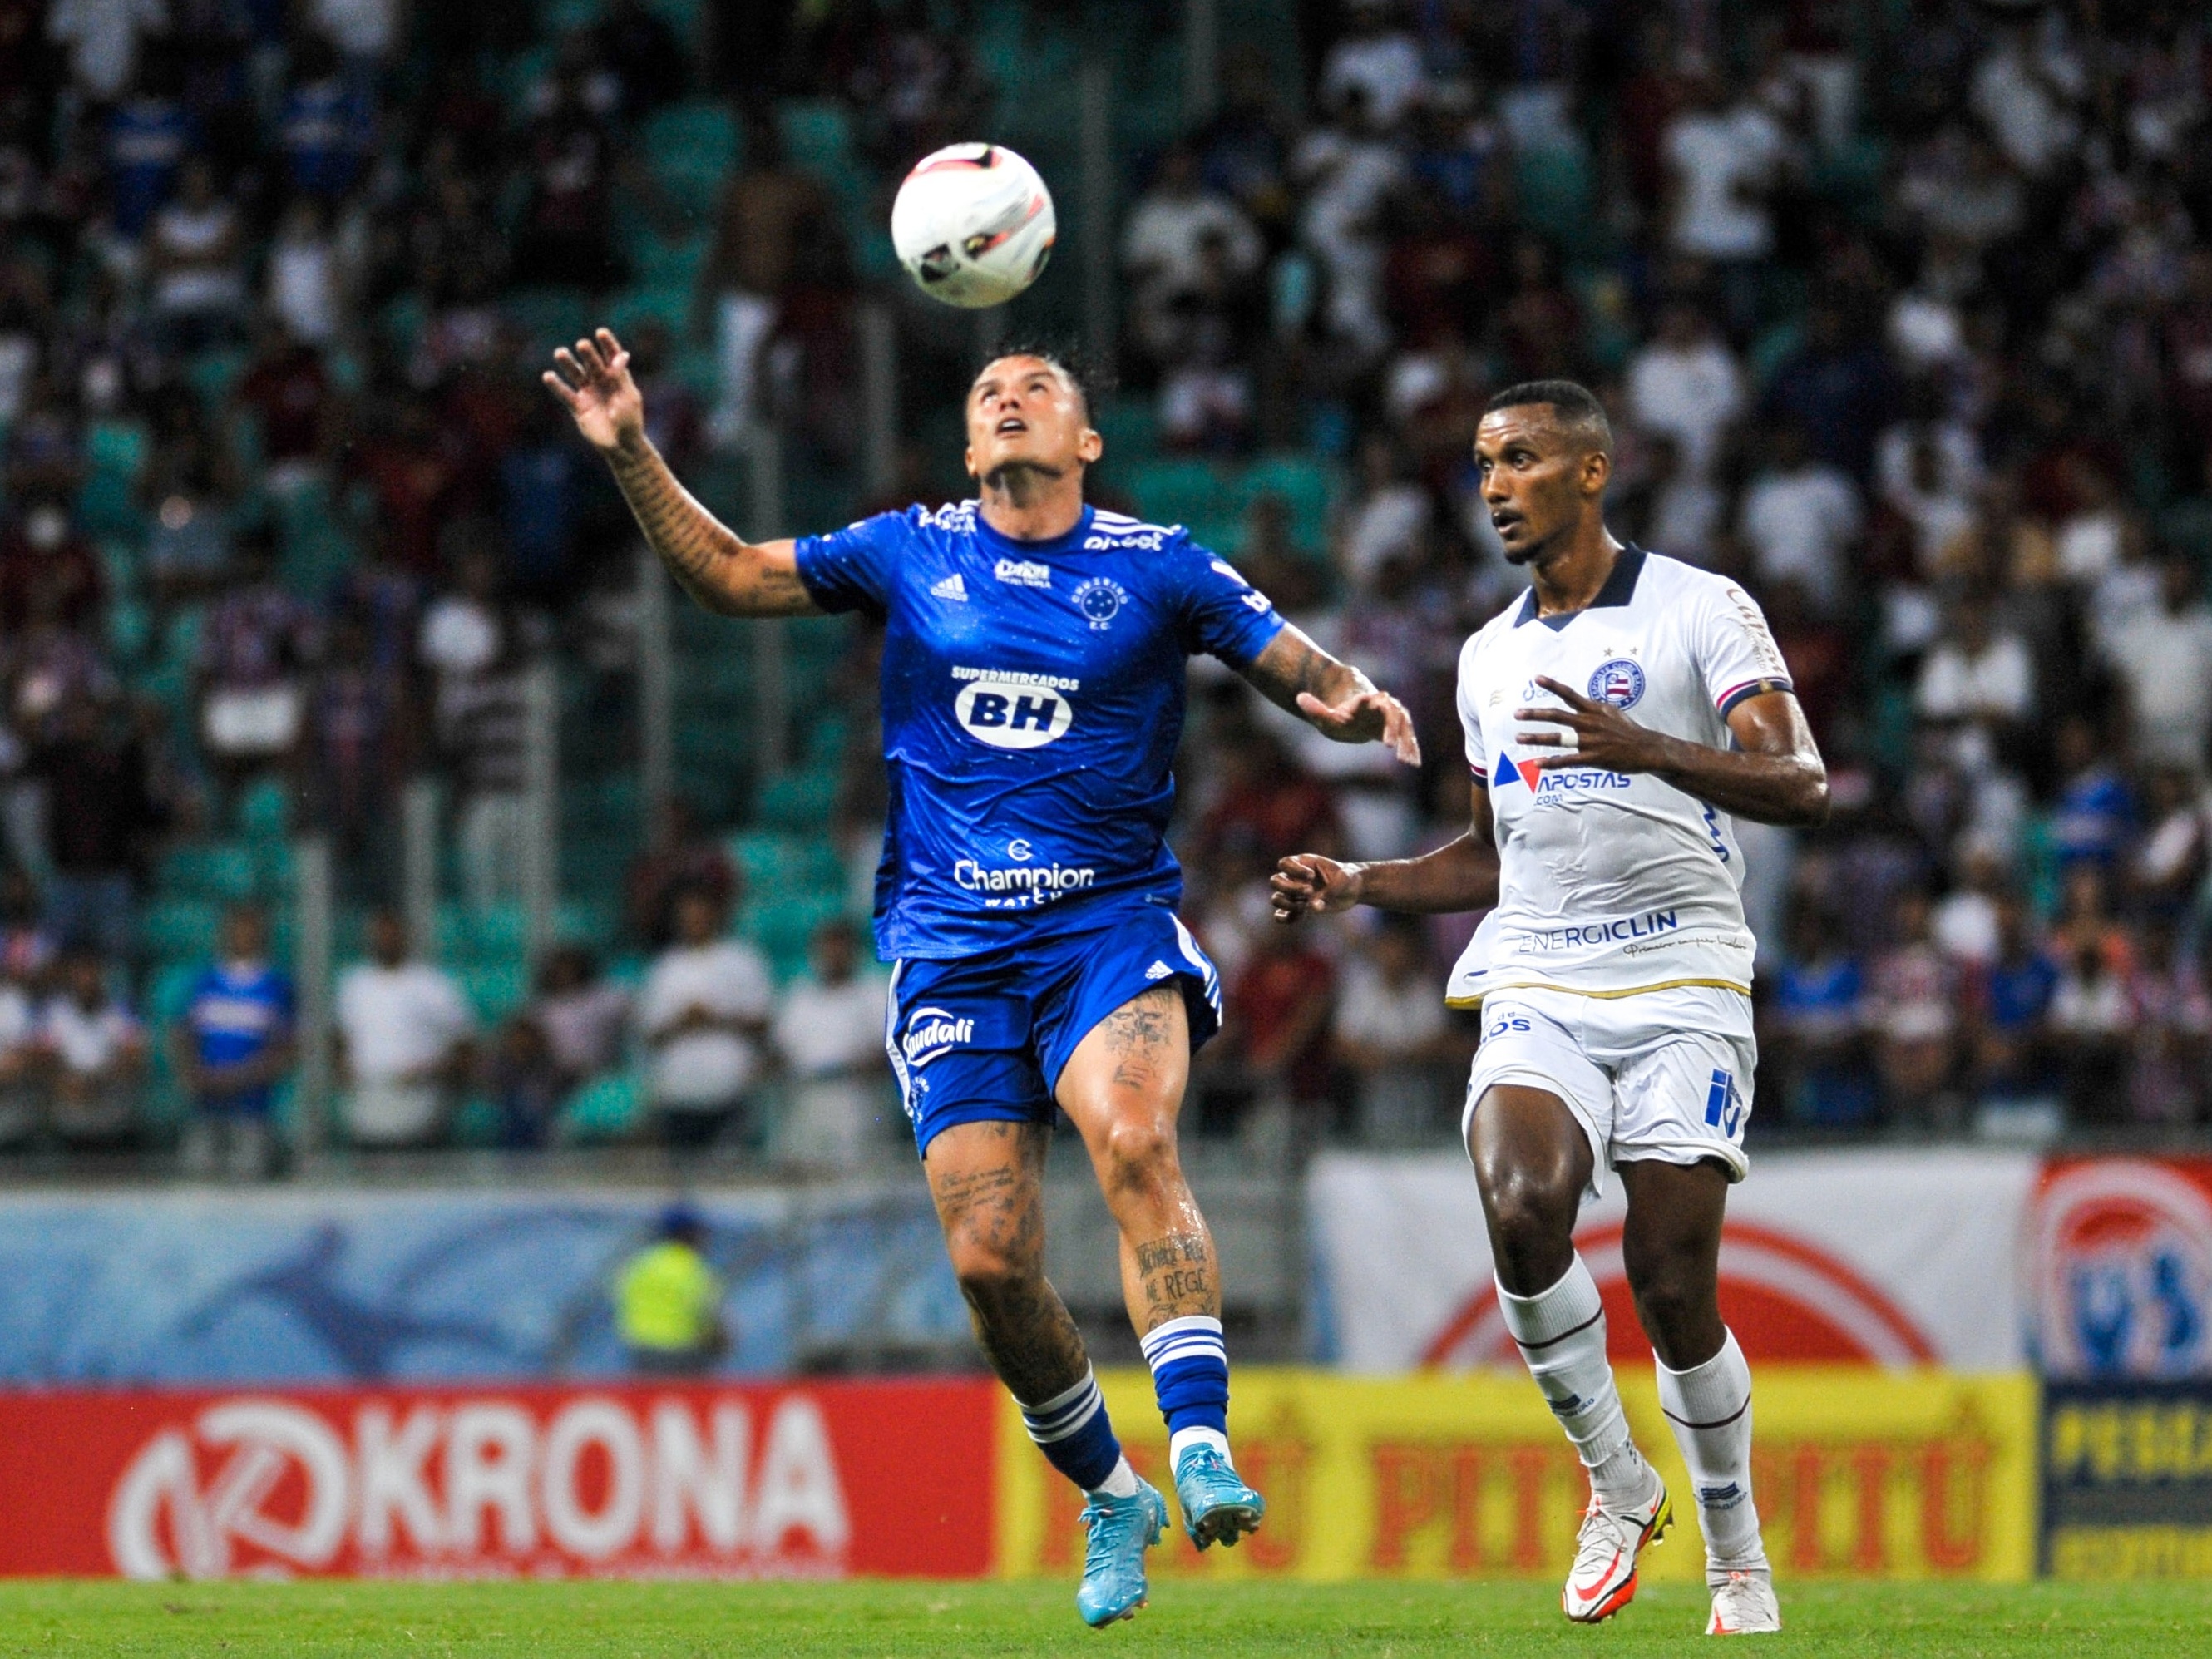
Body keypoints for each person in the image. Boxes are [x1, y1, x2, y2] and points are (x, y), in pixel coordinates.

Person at [546, 327, 1420, 1626]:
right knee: (991, 1260)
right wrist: (631, 451)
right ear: (969, 446)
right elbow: (729, 575)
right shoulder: (911, 546)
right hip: (951, 949)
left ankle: (1196, 1437)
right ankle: (1110, 1488)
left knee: (1132, 1137)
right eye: (988, 395)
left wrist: (1352, 700)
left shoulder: (1155, 563)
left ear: (1086, 442)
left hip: (1104, 928)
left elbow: (1283, 649)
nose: (1010, 401)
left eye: (1039, 392)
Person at [1271, 381, 1824, 1636]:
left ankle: (1735, 1552)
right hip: (1540, 971)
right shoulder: (1488, 654)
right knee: (1522, 1205)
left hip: (1686, 976)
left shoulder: (1701, 608)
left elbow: (1801, 781)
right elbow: (1485, 856)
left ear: (1591, 470)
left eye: (1520, 458)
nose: (1493, 484)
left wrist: (1653, 748)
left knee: (1673, 1283)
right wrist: (1360, 881)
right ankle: (1618, 1483)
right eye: (1481, 464)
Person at [637, 884, 773, 1153]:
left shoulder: (742, 959)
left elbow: (763, 1022)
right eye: (688, 916)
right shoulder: (666, 967)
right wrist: (683, 1021)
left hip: (729, 1090)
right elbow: (650, 1034)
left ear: (716, 916)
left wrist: (716, 1017)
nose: (694, 922)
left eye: (701, 914)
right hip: (678, 1093)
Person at [333, 909, 474, 1149]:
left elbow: (465, 1043)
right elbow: (339, 1037)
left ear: (405, 937)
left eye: (392, 934)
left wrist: (430, 1071)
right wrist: (343, 1068)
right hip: (368, 1097)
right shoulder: (354, 984)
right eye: (381, 934)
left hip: (419, 1097)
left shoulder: (432, 983)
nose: (386, 940)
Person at [173, 903, 295, 1180]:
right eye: (238, 929)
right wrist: (194, 1074)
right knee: (197, 1184)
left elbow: (286, 1048)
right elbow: (183, 1033)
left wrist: (239, 1078)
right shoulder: (206, 981)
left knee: (248, 1185)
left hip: (252, 1108)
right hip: (205, 1105)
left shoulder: (277, 985)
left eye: (250, 930)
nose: (243, 936)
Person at [772, 918, 891, 1167]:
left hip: (855, 1094)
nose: (834, 955)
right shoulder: (799, 996)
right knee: (804, 1164)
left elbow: (889, 1049)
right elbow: (780, 1048)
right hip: (806, 1093)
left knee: (854, 1167)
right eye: (828, 947)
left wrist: (869, 1063)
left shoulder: (873, 992)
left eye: (841, 947)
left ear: (854, 952)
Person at [615, 1202, 727, 1374]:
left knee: (648, 1396)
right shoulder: (693, 1268)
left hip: (641, 1351)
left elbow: (620, 1295)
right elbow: (709, 1313)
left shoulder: (641, 1264)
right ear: (689, 1233)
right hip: (683, 1353)